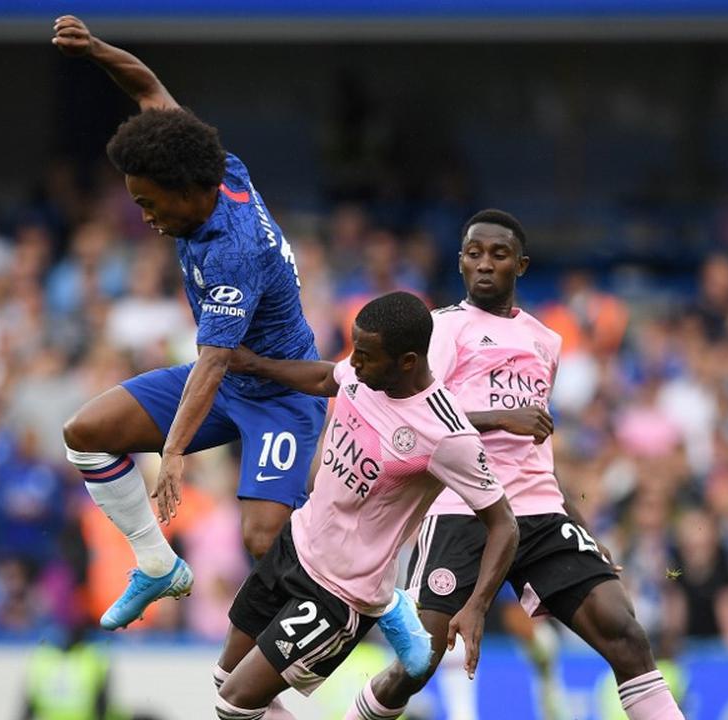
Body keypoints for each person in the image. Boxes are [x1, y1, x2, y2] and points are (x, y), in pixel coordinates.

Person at [53, 15, 337, 638]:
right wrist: (95, 49)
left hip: (280, 394)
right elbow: (148, 88)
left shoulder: (233, 250)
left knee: (261, 539)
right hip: (228, 381)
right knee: (86, 434)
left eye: (149, 202)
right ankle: (157, 565)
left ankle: (378, 602)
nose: (145, 216)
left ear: (185, 191)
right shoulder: (217, 167)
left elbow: (211, 362)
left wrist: (174, 453)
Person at [351, 210, 686, 720]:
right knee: (420, 661)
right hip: (462, 508)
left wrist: (579, 524)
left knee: (626, 634)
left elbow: (535, 452)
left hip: (538, 512)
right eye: (474, 254)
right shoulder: (442, 329)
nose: (485, 264)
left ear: (521, 265)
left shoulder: (545, 341)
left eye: (499, 254)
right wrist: (499, 418)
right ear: (460, 263)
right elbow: (409, 419)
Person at [215, 291, 519, 720]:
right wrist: (256, 365)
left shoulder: (448, 436)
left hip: (340, 592)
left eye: (366, 355)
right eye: (355, 350)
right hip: (295, 546)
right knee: (225, 678)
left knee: (234, 703)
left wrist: (477, 606)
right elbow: (328, 379)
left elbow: (504, 524)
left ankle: (387, 603)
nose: (354, 362)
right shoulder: (365, 373)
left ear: (407, 362)